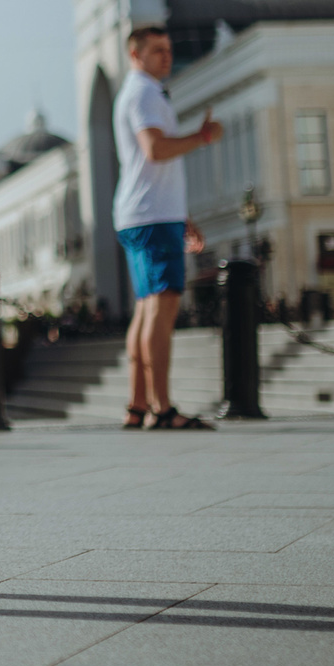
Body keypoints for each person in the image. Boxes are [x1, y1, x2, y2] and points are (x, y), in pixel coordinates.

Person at [113, 24, 222, 431]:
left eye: (169, 49)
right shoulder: (144, 93)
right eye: (157, 50)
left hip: (144, 214)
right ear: (135, 54)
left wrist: (181, 216)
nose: (167, 57)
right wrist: (202, 137)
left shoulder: (139, 91)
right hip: (152, 217)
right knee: (161, 307)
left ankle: (138, 405)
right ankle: (162, 408)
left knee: (146, 308)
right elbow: (155, 150)